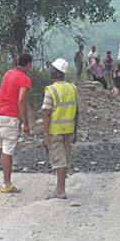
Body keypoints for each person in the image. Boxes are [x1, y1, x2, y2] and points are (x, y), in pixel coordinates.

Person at [0, 52, 32, 193]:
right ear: (29, 64)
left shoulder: (8, 73)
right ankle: (7, 184)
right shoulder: (25, 79)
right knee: (8, 151)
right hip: (10, 117)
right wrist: (25, 123)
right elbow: (21, 100)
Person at [41, 58, 79, 199]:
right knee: (65, 158)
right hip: (69, 129)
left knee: (60, 160)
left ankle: (60, 190)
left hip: (55, 130)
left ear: (53, 73)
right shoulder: (72, 88)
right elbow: (77, 111)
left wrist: (45, 134)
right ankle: (59, 187)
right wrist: (75, 131)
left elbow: (46, 113)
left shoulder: (51, 90)